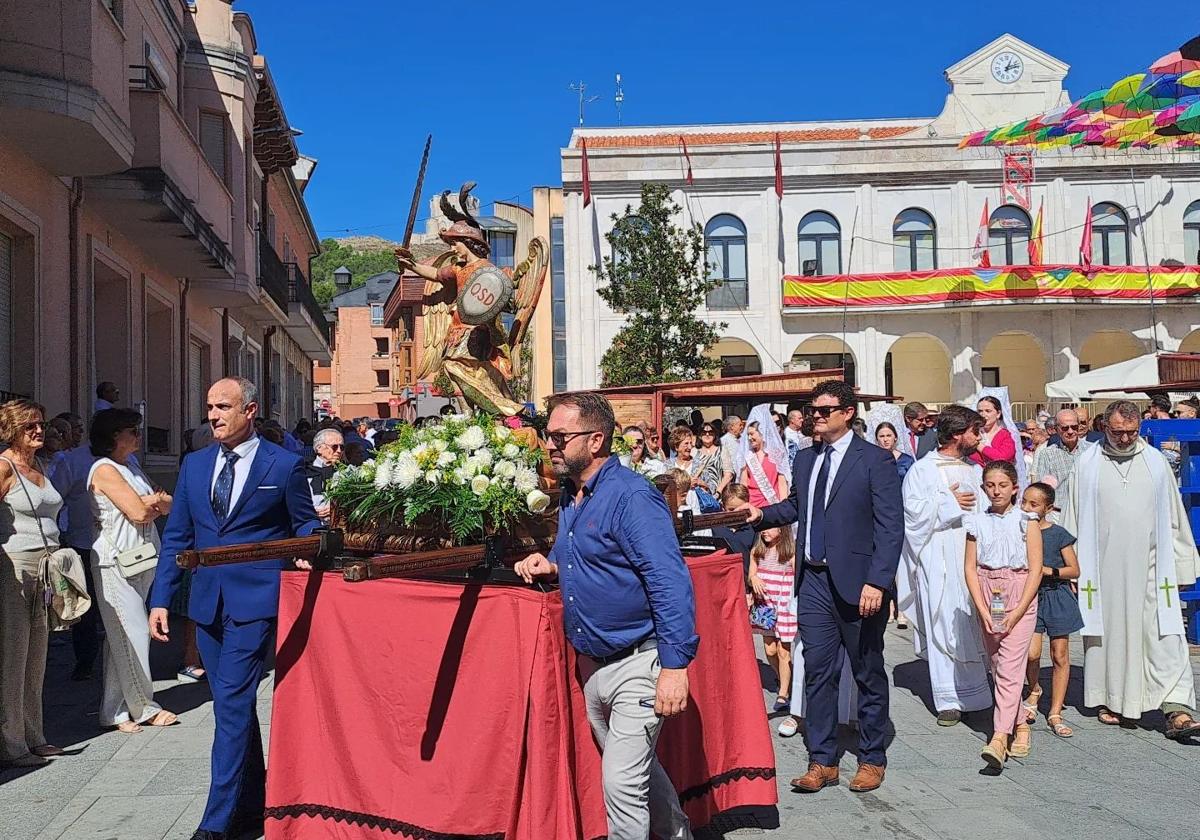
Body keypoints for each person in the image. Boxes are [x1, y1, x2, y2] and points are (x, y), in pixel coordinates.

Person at [514, 392, 696, 840]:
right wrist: (551, 564)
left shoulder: (631, 497)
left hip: (639, 662)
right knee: (634, 772)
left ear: (596, 440)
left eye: (559, 436)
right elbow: (581, 555)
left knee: (620, 783)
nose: (549, 445)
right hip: (594, 667)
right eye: (547, 435)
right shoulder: (572, 494)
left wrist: (674, 667)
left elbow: (668, 580)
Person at [148, 378, 321, 840]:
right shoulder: (195, 464)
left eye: (223, 406)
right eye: (209, 406)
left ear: (250, 410)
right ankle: (253, 806)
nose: (214, 415)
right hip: (206, 604)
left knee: (230, 704)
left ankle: (216, 823)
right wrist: (161, 598)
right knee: (235, 708)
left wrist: (308, 547)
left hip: (256, 602)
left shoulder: (283, 465)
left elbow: (304, 523)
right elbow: (178, 537)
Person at [745, 379, 902, 794]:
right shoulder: (806, 459)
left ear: (847, 413)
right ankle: (822, 760)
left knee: (867, 670)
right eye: (812, 409)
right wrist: (759, 515)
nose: (816, 414)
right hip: (812, 580)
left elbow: (890, 529)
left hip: (858, 583)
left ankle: (871, 757)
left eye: (824, 409)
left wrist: (878, 581)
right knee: (816, 671)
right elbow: (797, 506)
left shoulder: (875, 460)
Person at [1061, 400, 1200, 740]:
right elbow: (1072, 518)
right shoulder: (1087, 464)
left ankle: (1177, 709)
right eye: (1117, 432)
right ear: (1103, 428)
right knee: (1112, 638)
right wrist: (1071, 568)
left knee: (1167, 638)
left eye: (1131, 433)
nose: (1124, 439)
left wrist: (1183, 565)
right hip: (1103, 572)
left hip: (1154, 569)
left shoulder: (1155, 462)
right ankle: (1115, 700)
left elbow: (1174, 518)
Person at [898, 405, 992, 726]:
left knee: (971, 622)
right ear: (956, 434)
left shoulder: (974, 470)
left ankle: (978, 694)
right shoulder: (922, 470)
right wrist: (948, 503)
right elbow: (911, 516)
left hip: (970, 559)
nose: (979, 437)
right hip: (937, 559)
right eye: (974, 431)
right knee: (943, 622)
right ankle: (948, 699)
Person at [87, 409, 178, 733]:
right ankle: (144, 706)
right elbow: (140, 511)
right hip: (115, 563)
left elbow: (170, 502)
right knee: (134, 631)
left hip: (141, 559)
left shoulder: (133, 468)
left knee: (118, 639)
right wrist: (152, 502)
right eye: (131, 431)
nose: (138, 436)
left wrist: (153, 502)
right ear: (114, 436)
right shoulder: (103, 469)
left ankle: (113, 710)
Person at [0, 400, 67, 766]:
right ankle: (11, 744)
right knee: (14, 653)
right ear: (12, 430)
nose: (39, 431)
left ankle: (34, 734)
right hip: (15, 563)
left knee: (38, 653)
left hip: (46, 567)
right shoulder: (4, 466)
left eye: (41, 424)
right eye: (30, 426)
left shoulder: (39, 464)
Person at [964, 460, 1043, 769]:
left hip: (1019, 590)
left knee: (1011, 664)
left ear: (1014, 488)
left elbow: (1035, 568)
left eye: (1002, 485)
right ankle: (1020, 723)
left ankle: (998, 737)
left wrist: (1019, 610)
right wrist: (983, 609)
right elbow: (970, 567)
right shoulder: (976, 522)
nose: (996, 491)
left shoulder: (1027, 520)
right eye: (990, 485)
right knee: (998, 664)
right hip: (990, 593)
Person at [1020, 482, 1083, 739]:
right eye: (1024, 501)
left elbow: (1074, 569)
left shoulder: (1058, 534)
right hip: (1031, 595)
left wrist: (1049, 571)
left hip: (1056, 594)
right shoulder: (1019, 531)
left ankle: (1055, 711)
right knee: (1031, 653)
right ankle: (1034, 690)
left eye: (1033, 504)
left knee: (1060, 654)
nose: (1026, 508)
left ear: (1047, 508)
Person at [748, 525, 797, 712]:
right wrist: (754, 579)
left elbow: (799, 575)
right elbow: (751, 574)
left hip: (783, 604)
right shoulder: (758, 551)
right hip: (766, 606)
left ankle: (783, 693)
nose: (764, 531)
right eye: (763, 529)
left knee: (783, 651)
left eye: (770, 528)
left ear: (782, 530)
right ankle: (785, 677)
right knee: (769, 650)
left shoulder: (789, 552)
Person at [737, 406, 789, 509]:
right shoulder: (747, 456)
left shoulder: (776, 454)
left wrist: (784, 507)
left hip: (773, 504)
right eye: (747, 435)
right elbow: (743, 484)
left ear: (762, 433)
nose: (749, 438)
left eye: (752, 434)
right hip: (753, 505)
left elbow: (782, 483)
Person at [1033, 409, 1093, 491]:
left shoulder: (1091, 451)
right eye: (1065, 428)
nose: (1070, 431)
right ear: (1056, 429)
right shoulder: (1047, 454)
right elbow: (1042, 490)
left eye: (1074, 427)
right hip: (1060, 503)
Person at [306, 428, 344, 522]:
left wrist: (337, 509)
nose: (339, 451)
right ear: (319, 448)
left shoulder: (345, 473)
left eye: (341, 447)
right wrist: (310, 511)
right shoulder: (304, 471)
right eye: (334, 447)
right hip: (310, 524)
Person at [668, 427, 719, 493]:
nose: (690, 447)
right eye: (686, 443)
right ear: (676, 447)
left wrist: (702, 483)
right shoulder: (668, 465)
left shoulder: (699, 464)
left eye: (690, 443)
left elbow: (712, 488)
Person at [970, 396, 1016, 466]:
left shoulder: (1004, 435)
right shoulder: (972, 433)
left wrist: (979, 445)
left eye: (988, 411)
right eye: (980, 411)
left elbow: (1003, 458)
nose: (983, 415)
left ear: (998, 414)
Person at [696, 422, 732, 494]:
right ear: (699, 435)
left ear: (715, 435)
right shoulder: (694, 452)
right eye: (704, 432)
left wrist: (718, 491)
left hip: (719, 493)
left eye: (711, 432)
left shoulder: (722, 450)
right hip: (699, 494)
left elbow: (728, 474)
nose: (707, 434)